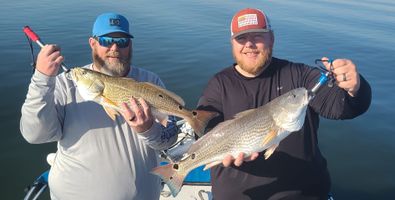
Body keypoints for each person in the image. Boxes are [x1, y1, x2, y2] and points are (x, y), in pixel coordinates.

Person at [197, 8, 372, 200]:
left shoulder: (300, 76)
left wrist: (355, 88)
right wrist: (220, 149)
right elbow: (205, 126)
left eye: (258, 36)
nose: (249, 44)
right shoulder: (219, 84)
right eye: (241, 38)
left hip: (303, 193)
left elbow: (343, 107)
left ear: (272, 38)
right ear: (233, 43)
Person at [20, 12, 178, 200]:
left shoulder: (150, 82)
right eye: (106, 40)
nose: (114, 48)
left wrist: (148, 129)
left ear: (130, 45)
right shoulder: (64, 83)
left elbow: (169, 140)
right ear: (92, 43)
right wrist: (41, 78)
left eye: (122, 42)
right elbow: (35, 135)